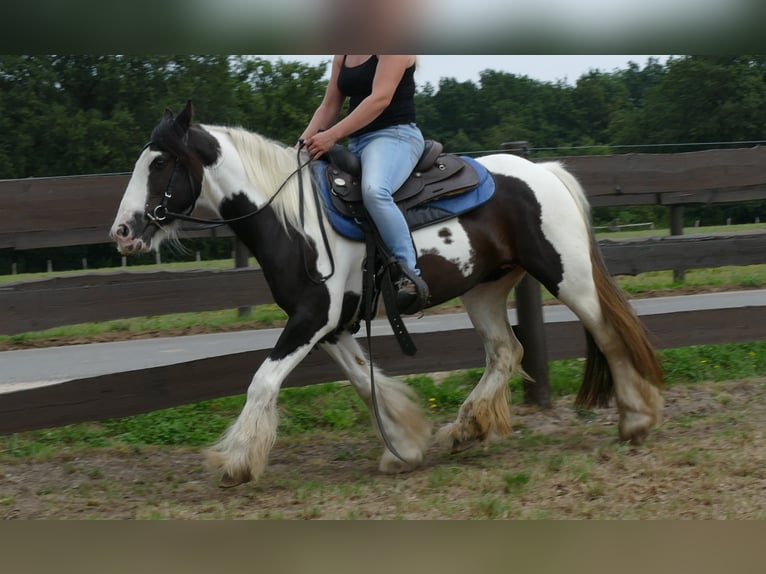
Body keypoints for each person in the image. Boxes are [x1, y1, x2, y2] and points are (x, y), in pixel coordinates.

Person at [299, 54, 429, 314]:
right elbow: (328, 107)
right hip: (356, 142)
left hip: (396, 136)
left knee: (375, 192)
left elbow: (379, 99)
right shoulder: (344, 53)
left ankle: (408, 276)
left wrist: (331, 136)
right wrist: (300, 147)